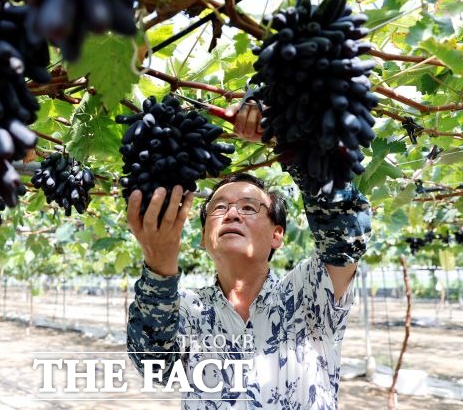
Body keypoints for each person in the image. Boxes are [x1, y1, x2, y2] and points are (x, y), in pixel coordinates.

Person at [125, 100, 372, 409]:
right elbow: (155, 366)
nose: (232, 214)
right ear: (204, 238)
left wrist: (291, 142)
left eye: (248, 207)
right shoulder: (187, 308)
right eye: (219, 208)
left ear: (277, 234)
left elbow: (347, 233)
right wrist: (159, 265)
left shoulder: (308, 293)